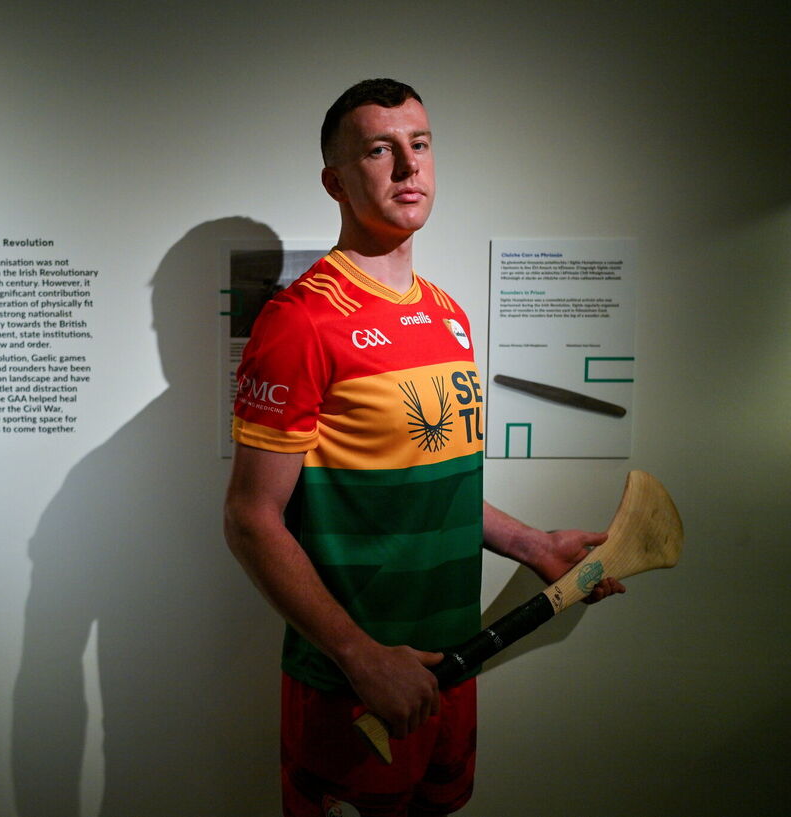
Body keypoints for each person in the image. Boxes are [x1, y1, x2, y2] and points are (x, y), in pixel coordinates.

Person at [223, 78, 624, 816]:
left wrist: (533, 544)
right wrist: (359, 654)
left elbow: (431, 482)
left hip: (453, 662)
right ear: (335, 181)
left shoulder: (447, 314)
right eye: (380, 150)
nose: (409, 166)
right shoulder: (301, 321)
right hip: (356, 682)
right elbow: (250, 519)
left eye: (421, 144)